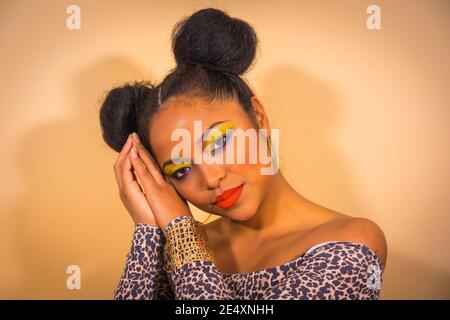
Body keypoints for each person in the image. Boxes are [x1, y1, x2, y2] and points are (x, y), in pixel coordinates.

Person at [99, 7, 387, 300]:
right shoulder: (175, 248)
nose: (211, 177)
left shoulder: (352, 242)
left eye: (219, 142)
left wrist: (183, 234)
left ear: (259, 118)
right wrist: (148, 230)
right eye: (181, 170)